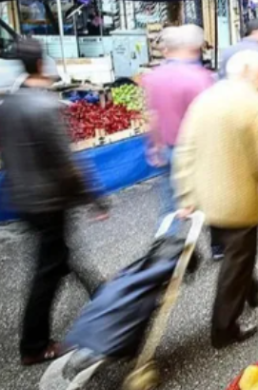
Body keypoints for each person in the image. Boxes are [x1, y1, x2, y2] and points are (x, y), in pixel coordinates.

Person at [0, 38, 108, 365]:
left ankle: (102, 296)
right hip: (49, 199)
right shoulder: (45, 106)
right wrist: (94, 199)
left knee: (60, 253)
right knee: (48, 269)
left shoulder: (8, 105)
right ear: (42, 65)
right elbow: (67, 163)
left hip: (25, 197)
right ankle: (34, 345)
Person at [173, 50, 258, 349]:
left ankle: (253, 291)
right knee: (237, 261)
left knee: (237, 253)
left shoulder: (205, 99)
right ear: (248, 71)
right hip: (238, 201)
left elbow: (184, 149)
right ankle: (223, 329)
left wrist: (186, 194)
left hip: (206, 199)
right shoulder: (254, 104)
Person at [143, 25, 214, 218]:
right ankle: (217, 246)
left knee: (168, 206)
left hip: (166, 147)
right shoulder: (200, 77)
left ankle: (168, 243)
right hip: (194, 153)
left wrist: (156, 145)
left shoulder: (153, 77)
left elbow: (152, 117)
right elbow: (208, 120)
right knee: (206, 203)